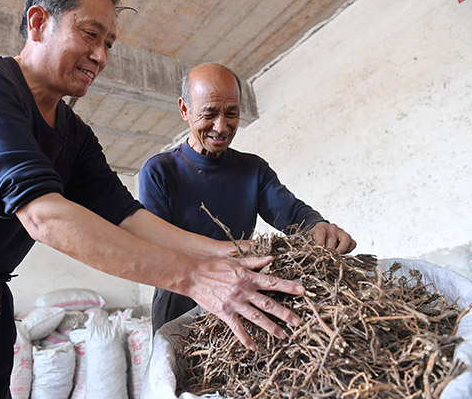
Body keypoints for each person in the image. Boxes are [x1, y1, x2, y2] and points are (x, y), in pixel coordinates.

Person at [0, 0, 307, 397]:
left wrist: (227, 252)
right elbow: (45, 216)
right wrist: (195, 278)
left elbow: (127, 216)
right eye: (89, 34)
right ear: (39, 22)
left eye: (109, 43)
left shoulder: (74, 135)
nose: (101, 56)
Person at [139, 62, 357, 334]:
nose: (221, 127)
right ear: (185, 109)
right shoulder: (159, 170)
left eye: (232, 113)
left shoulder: (253, 170)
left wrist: (318, 227)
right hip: (182, 300)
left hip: (241, 292)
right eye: (209, 114)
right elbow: (158, 246)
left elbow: (292, 214)